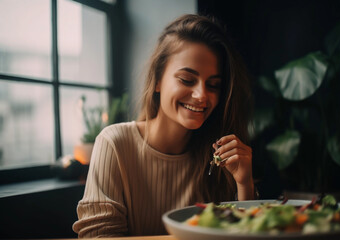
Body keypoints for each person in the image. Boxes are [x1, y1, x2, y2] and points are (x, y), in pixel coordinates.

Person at [73, 13, 254, 238]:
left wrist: (244, 183)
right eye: (187, 80)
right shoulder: (114, 143)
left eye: (213, 85)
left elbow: (244, 234)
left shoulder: (219, 156)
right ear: (157, 80)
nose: (201, 95)